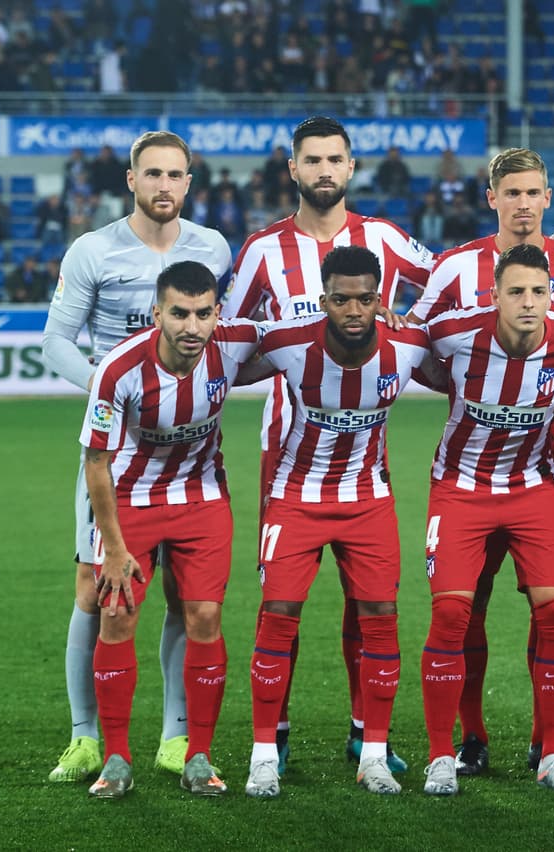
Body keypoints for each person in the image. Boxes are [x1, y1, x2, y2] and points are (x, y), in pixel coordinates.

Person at [408, 147, 554, 777]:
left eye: (534, 193)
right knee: (465, 604)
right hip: (467, 466)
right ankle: (468, 739)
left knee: (550, 602)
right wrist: (461, 386)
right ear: (493, 198)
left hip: (546, 460)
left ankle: (545, 743)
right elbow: (414, 339)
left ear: (548, 198)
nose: (524, 204)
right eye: (513, 193)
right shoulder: (456, 268)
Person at [223, 115, 435, 776]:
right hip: (287, 449)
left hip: (366, 449)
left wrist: (410, 316)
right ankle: (276, 733)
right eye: (310, 160)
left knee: (366, 598)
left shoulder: (386, 240)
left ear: (350, 167)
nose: (323, 170)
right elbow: (230, 334)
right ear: (293, 168)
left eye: (333, 159)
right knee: (280, 599)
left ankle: (365, 733)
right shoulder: (262, 251)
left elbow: (451, 289)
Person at [42, 130, 231, 785]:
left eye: (175, 175)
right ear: (131, 180)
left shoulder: (213, 248)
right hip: (116, 454)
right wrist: (114, 387)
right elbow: (56, 342)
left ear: (189, 182)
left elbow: (227, 333)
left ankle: (176, 738)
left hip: (188, 460)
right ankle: (84, 737)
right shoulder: (93, 251)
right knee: (95, 590)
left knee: (187, 598)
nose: (164, 185)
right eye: (152, 174)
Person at [242, 246, 438, 799]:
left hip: (367, 500)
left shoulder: (408, 345)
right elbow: (226, 359)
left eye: (366, 299)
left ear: (381, 299)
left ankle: (372, 755)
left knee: (381, 619)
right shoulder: (288, 343)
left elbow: (467, 366)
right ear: (323, 299)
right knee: (277, 616)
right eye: (342, 299)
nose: (354, 311)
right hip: (294, 498)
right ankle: (264, 756)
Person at [419, 244, 554, 796]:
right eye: (516, 291)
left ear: (552, 296)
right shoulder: (452, 334)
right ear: (494, 295)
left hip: (532, 488)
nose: (528, 302)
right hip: (460, 488)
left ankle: (553, 754)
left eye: (538, 292)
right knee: (452, 613)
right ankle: (442, 755)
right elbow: (411, 354)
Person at [81, 260, 262, 798]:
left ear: (217, 313)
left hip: (201, 499)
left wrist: (385, 317)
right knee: (117, 615)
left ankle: (198, 755)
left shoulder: (233, 344)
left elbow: (307, 333)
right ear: (157, 313)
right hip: (131, 503)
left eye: (203, 314)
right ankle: (115, 758)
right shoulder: (119, 370)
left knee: (204, 616)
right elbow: (96, 462)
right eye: (179, 313)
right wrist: (114, 549)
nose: (192, 326)